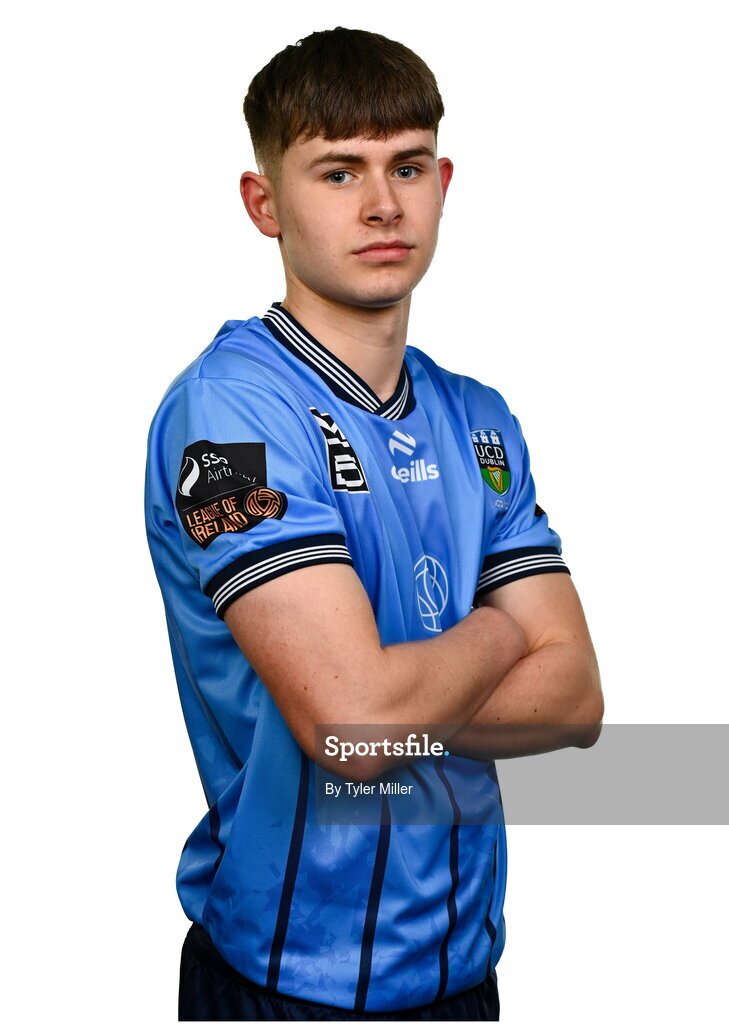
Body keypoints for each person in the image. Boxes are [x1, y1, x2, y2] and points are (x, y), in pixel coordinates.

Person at [145, 26, 603, 1022]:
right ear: (264, 203)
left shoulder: (480, 420)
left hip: (462, 976)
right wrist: (499, 631)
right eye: (338, 170)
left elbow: (574, 697)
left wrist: (391, 695)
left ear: (443, 179)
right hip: (283, 981)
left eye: (406, 165)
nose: (383, 203)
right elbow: (354, 729)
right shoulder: (224, 419)